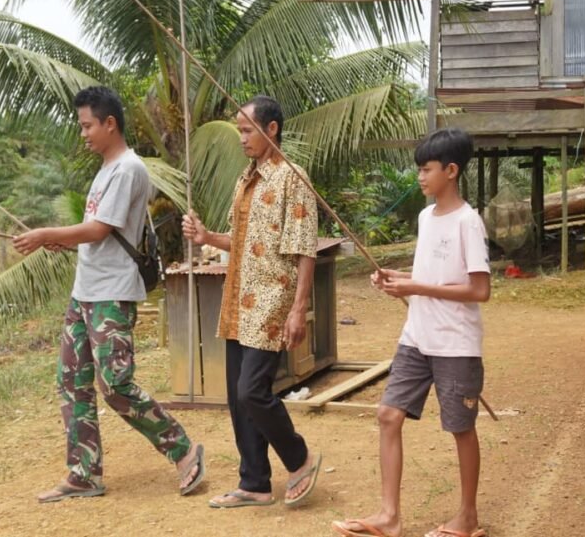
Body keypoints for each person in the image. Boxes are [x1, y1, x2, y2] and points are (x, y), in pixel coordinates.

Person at [13, 86, 205, 503]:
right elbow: (99, 233)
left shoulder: (128, 169)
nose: (83, 133)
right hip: (85, 292)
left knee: (115, 384)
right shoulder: (105, 170)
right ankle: (83, 473)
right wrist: (66, 241)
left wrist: (48, 233)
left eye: (87, 125)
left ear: (109, 123)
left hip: (110, 295)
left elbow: (100, 230)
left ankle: (183, 448)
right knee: (72, 382)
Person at [332, 128, 491, 537]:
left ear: (451, 171)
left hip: (455, 344)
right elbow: (429, 276)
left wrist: (414, 287)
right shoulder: (425, 216)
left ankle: (468, 517)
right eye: (418, 168)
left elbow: (479, 289)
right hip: (416, 337)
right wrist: (396, 279)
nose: (419, 176)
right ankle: (389, 517)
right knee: (388, 415)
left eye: (427, 169)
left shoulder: (468, 222)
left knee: (460, 428)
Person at [181, 95, 322, 509]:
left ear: (271, 129)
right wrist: (206, 238)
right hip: (237, 300)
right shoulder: (246, 179)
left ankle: (299, 459)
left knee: (252, 391)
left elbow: (304, 249)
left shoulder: (292, 178)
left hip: (272, 301)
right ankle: (255, 482)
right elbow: (239, 243)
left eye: (246, 130)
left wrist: (298, 308)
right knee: (236, 395)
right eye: (239, 130)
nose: (240, 138)